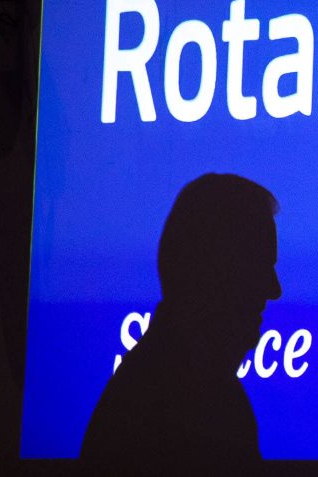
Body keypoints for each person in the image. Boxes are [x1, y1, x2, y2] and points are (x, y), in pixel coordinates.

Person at [80, 173, 281, 476]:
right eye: (258, 265)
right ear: (213, 271)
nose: (274, 289)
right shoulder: (197, 412)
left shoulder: (169, 390)